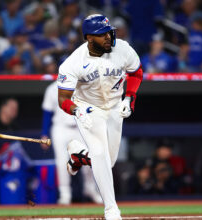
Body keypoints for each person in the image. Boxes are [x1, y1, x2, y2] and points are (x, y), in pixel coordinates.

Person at [57, 14, 143, 220]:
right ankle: (111, 210)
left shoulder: (122, 48)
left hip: (114, 106)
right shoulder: (73, 63)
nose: (108, 37)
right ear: (89, 38)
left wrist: (129, 97)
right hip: (88, 108)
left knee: (109, 161)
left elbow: (136, 72)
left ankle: (78, 154)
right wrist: (76, 110)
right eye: (101, 34)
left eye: (108, 32)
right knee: (98, 153)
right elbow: (63, 99)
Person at [41, 81, 102, 205]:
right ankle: (65, 193)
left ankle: (90, 188)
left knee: (89, 158)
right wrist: (44, 133)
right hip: (60, 128)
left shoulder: (83, 86)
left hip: (80, 127)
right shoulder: (52, 88)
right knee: (61, 161)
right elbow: (47, 113)